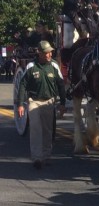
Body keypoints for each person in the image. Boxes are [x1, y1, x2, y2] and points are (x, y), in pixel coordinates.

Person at [17, 41, 66, 170]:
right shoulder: (31, 66)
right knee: (36, 128)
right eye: (46, 52)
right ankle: (37, 157)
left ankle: (46, 155)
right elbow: (22, 85)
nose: (49, 54)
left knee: (47, 130)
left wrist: (62, 103)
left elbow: (61, 85)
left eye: (50, 52)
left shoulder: (54, 66)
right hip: (34, 101)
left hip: (49, 102)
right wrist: (20, 104)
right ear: (40, 53)